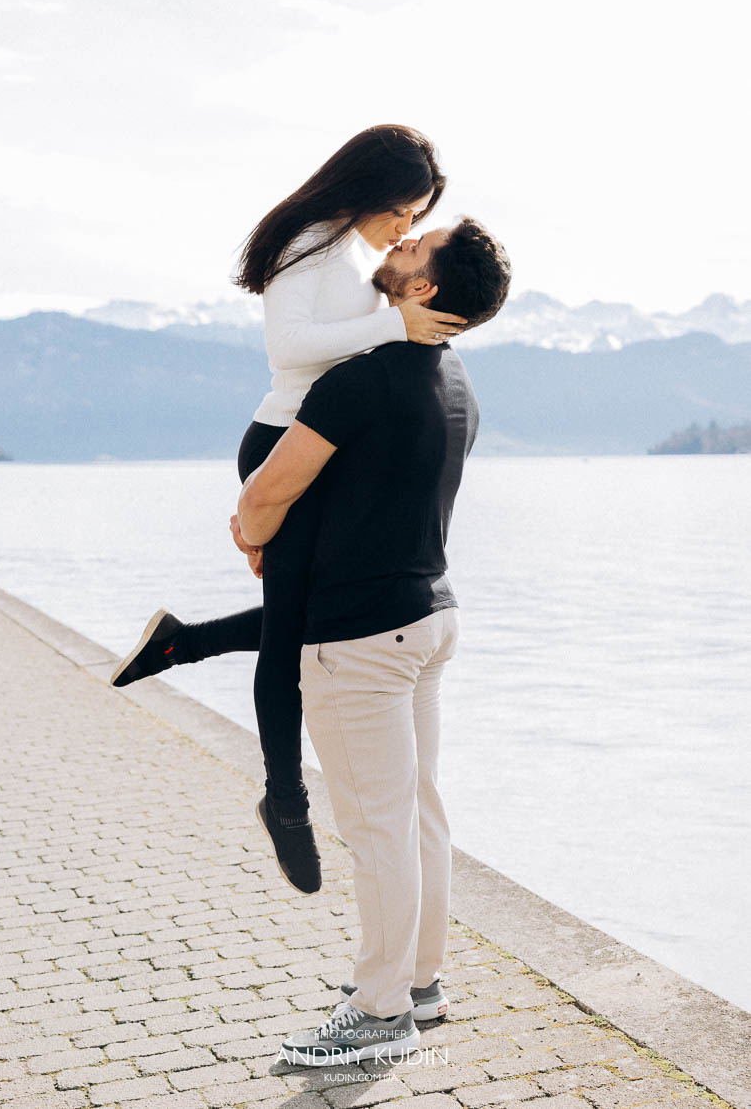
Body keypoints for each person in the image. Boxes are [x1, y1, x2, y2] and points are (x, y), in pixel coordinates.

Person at [110, 125, 466, 896]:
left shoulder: (347, 254)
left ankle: (185, 646)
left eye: (415, 219)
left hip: (324, 443)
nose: (404, 229)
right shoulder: (308, 241)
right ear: (370, 188)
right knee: (292, 632)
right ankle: (286, 798)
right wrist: (395, 325)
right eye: (403, 211)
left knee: (306, 615)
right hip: (285, 442)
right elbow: (291, 347)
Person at [234, 217, 512, 1065]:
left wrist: (251, 533)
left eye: (412, 248)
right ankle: (420, 985)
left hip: (359, 637)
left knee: (377, 828)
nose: (396, 247)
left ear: (423, 289)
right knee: (418, 810)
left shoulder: (359, 381)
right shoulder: (454, 376)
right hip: (430, 619)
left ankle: (381, 1013)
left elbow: (266, 491)